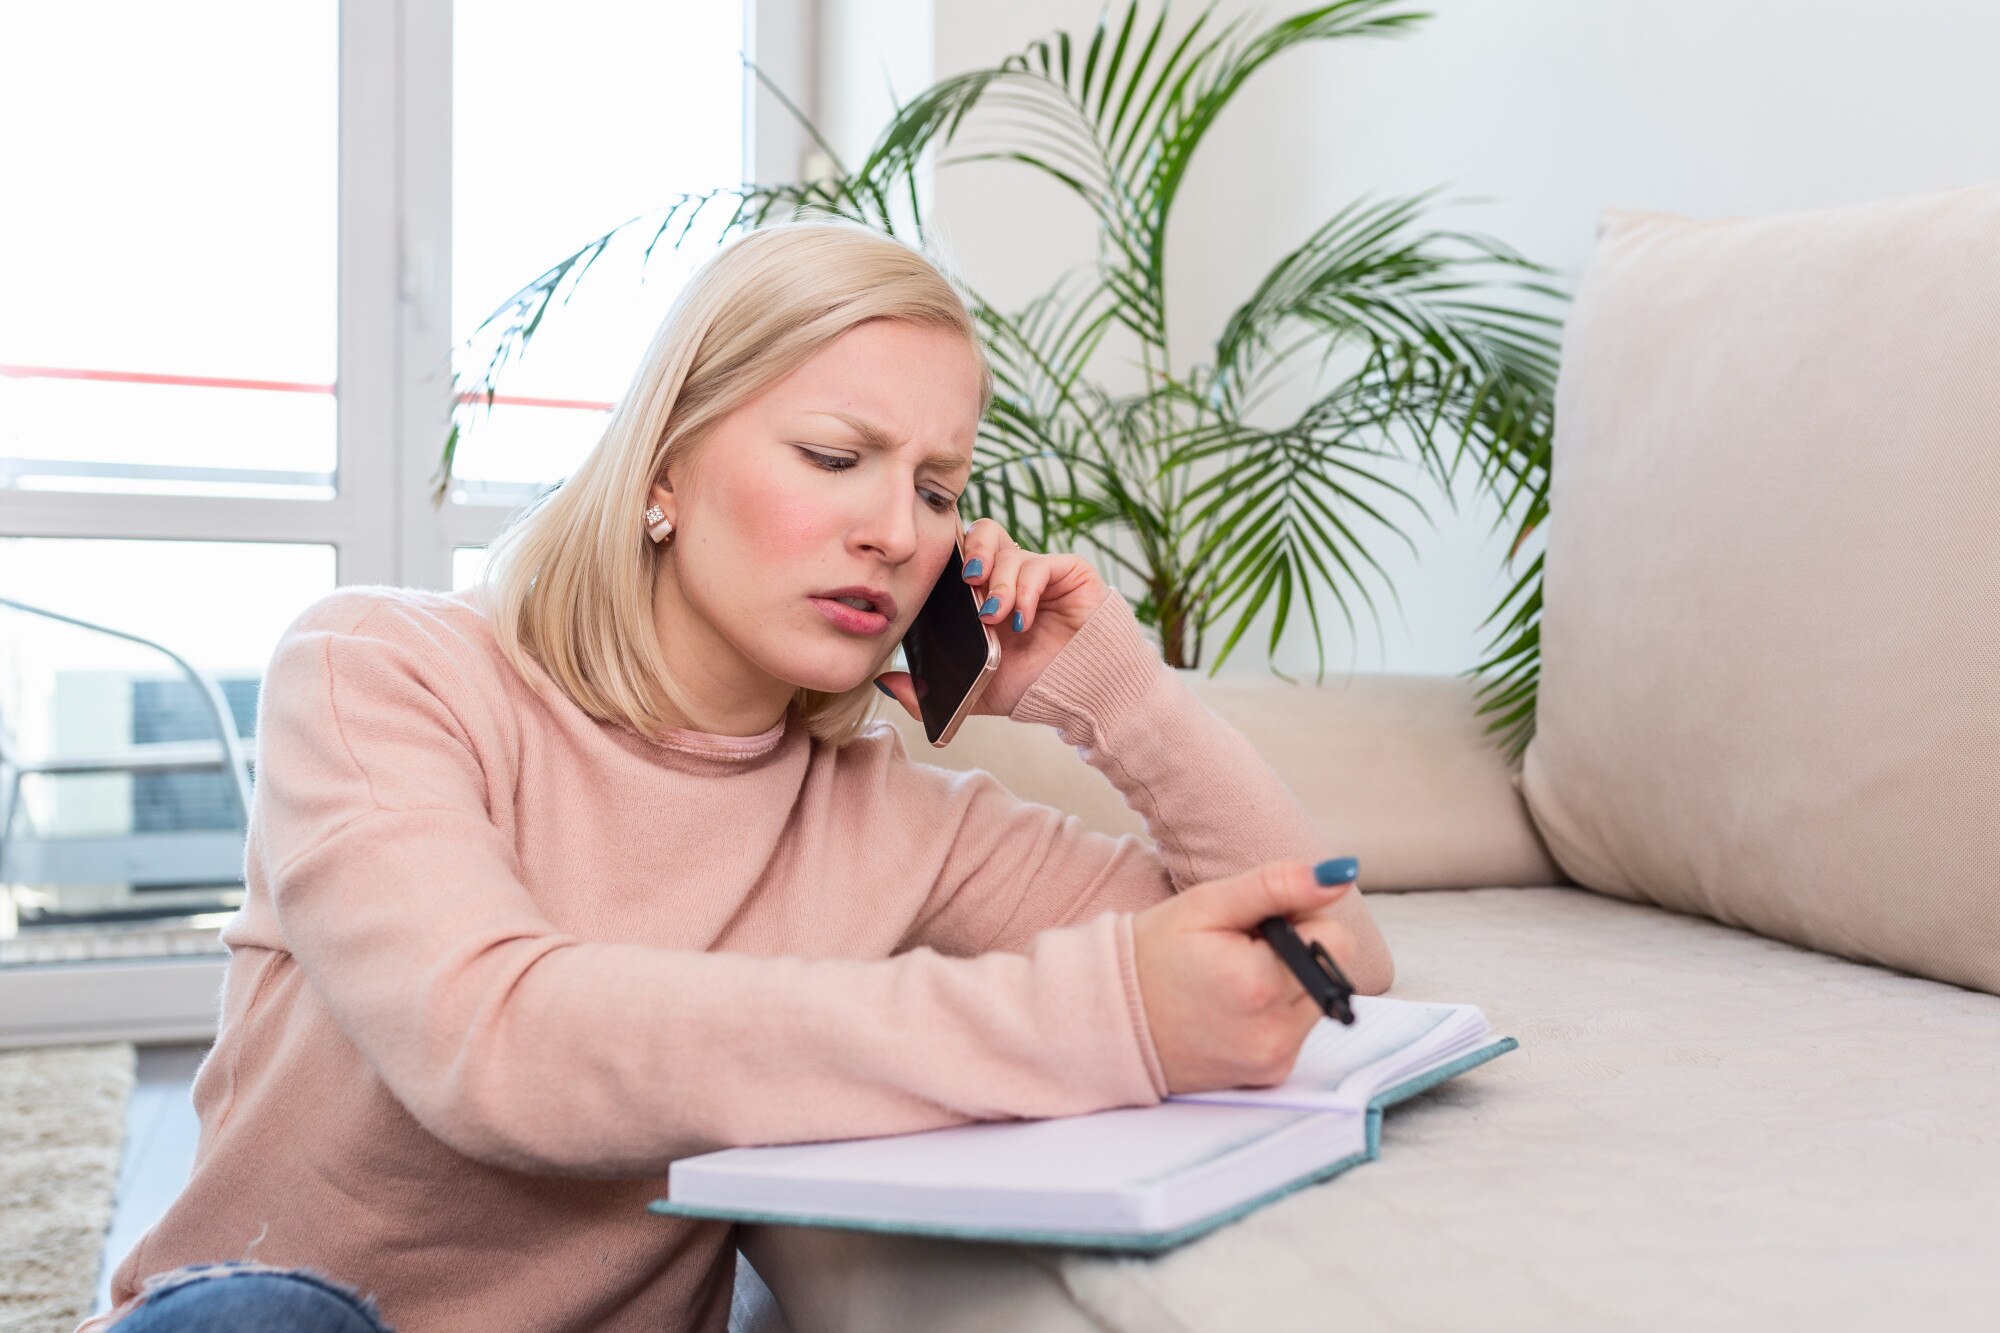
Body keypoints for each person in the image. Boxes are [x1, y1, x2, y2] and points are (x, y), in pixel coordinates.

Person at [81, 219, 1394, 1333]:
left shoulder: (889, 816)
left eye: (938, 488)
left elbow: (1331, 958)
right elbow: (500, 1045)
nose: (895, 530)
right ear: (664, 470)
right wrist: (1106, 1013)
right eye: (837, 457)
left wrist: (1121, 693)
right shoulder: (381, 669)